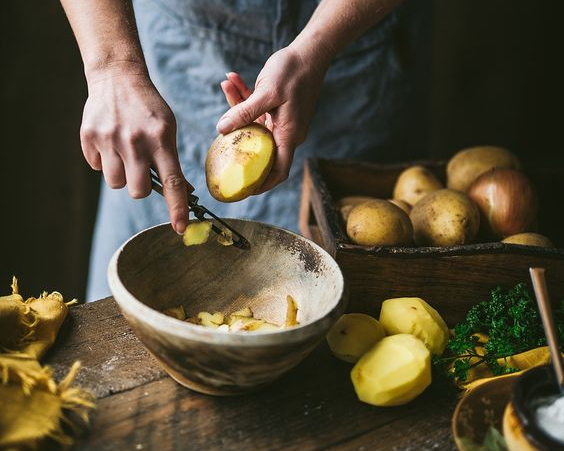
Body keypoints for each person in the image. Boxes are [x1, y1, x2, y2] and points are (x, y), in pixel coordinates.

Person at [60, 0, 427, 302]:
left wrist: (318, 46)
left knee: (326, 315)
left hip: (351, 47)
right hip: (171, 50)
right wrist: (113, 67)